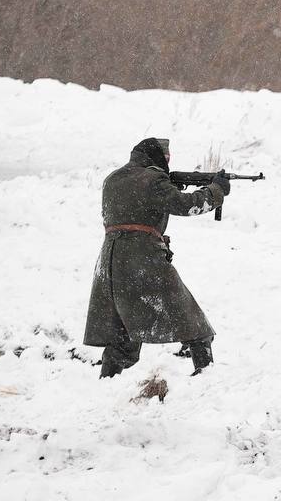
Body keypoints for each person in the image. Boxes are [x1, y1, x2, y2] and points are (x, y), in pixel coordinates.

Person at [83, 138, 228, 377]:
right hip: (143, 258)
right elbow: (187, 205)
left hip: (111, 261)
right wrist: (215, 191)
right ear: (157, 157)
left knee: (122, 333)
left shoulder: (112, 179)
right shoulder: (153, 181)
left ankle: (106, 381)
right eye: (166, 158)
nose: (168, 162)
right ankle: (206, 378)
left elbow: (133, 208)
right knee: (194, 323)